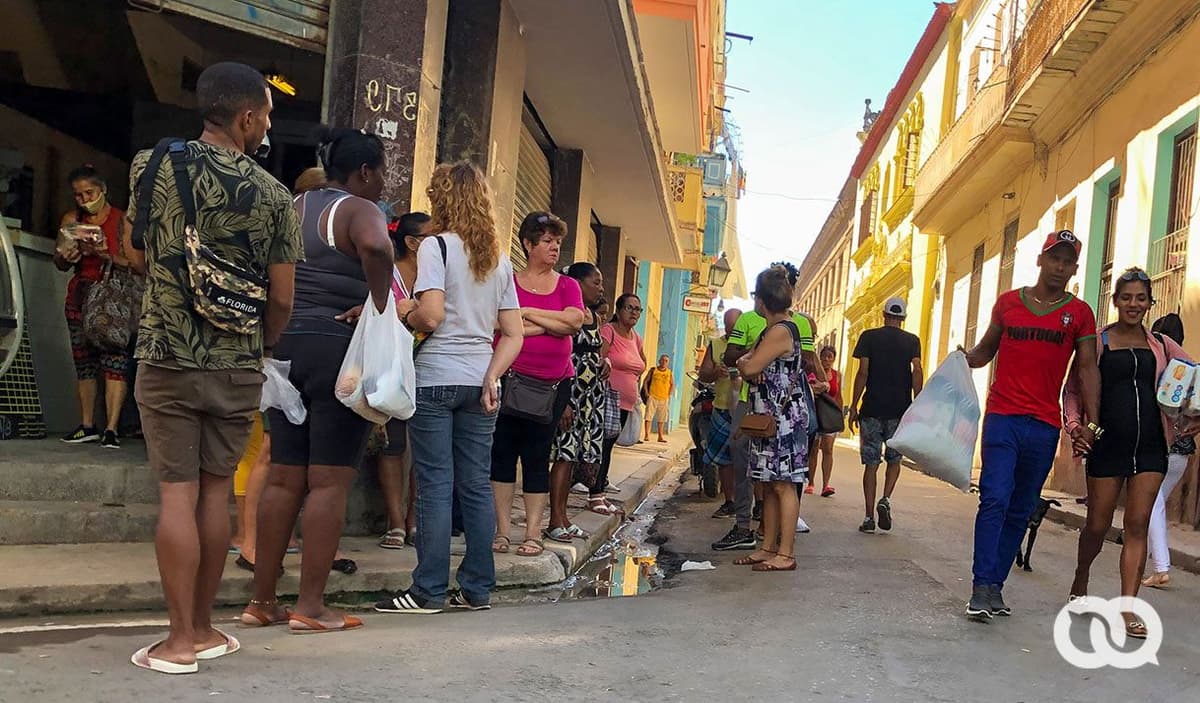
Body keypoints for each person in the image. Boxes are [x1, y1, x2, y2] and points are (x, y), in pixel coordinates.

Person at [124, 62, 301, 673]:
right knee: (215, 491)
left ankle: (177, 642)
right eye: (267, 117)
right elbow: (283, 298)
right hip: (237, 364)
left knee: (176, 493)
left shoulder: (151, 165)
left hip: (166, 355)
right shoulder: (275, 196)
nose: (268, 127)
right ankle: (201, 628)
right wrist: (260, 342)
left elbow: (136, 252)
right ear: (247, 117)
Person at [242, 126, 394, 634]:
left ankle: (262, 601)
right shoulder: (358, 208)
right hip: (335, 348)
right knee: (329, 479)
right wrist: (378, 304)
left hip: (284, 347)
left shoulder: (293, 204)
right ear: (364, 172)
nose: (383, 184)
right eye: (382, 174)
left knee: (284, 475)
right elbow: (377, 248)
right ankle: (311, 606)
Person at [373, 161, 523, 613]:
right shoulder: (499, 259)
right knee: (475, 484)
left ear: (443, 201)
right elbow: (513, 333)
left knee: (436, 484)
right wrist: (492, 375)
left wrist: (406, 309)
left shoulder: (436, 247)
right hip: (480, 383)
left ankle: (428, 591)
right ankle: (477, 589)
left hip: (437, 377)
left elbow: (432, 316)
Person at [962, 229, 1100, 621]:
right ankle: (980, 586)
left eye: (1068, 261)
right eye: (1054, 258)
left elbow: (1087, 369)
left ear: (1074, 269)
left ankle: (995, 586)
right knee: (995, 497)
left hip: (1043, 425)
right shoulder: (1008, 304)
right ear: (1040, 260)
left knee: (1021, 507)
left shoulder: (1080, 314)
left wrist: (1092, 424)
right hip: (1002, 418)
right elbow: (985, 351)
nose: (1060, 267)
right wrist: (962, 360)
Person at [1063, 269, 1198, 639]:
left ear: (1150, 303)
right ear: (1116, 301)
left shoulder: (1162, 345)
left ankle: (1127, 608)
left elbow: (1194, 374)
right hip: (1107, 445)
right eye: (1127, 297)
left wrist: (1195, 415)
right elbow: (1073, 389)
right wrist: (1075, 426)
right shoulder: (1098, 342)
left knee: (1137, 525)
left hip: (1152, 448)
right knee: (1097, 525)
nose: (1134, 304)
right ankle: (1081, 577)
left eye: (1141, 298)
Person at [490, 212, 584, 557]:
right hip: (508, 377)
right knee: (502, 454)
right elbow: (497, 325)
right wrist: (549, 325)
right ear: (528, 244)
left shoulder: (567, 285)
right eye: (546, 241)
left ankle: (532, 533)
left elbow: (574, 321)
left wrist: (526, 314)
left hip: (552, 385)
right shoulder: (508, 282)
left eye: (557, 241)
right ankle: (502, 531)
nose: (554, 247)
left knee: (537, 455)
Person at [711, 266, 819, 550]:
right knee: (770, 483)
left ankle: (785, 552)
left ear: (761, 300)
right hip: (771, 415)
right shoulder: (774, 330)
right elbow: (747, 362)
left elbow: (748, 366)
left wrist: (748, 363)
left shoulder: (781, 330)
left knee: (783, 484)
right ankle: (768, 547)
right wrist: (749, 362)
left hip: (783, 418)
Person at [54, 166, 134, 448]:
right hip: (80, 294)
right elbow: (59, 262)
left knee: (115, 361)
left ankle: (111, 428)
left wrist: (106, 255)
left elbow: (138, 265)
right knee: (84, 361)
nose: (85, 200)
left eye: (89, 193)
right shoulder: (71, 220)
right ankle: (87, 424)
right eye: (78, 195)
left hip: (112, 298)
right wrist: (66, 255)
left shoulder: (123, 220)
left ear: (103, 190)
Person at [377, 211, 432, 549]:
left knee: (424, 447)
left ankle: (414, 519)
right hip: (391, 369)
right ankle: (395, 522)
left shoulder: (434, 278)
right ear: (412, 243)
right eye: (431, 237)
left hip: (429, 370)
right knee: (393, 443)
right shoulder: (387, 275)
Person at [848, 298, 923, 534]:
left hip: (872, 409)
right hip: (900, 411)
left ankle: (869, 517)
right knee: (894, 460)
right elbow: (917, 370)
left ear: (883, 314)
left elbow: (863, 372)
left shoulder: (869, 337)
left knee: (871, 465)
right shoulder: (912, 341)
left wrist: (853, 405)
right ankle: (886, 498)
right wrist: (918, 402)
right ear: (903, 318)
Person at [545, 262, 608, 543]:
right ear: (577, 284)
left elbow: (594, 352)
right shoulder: (567, 314)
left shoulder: (593, 316)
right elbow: (562, 355)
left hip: (590, 400)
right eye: (595, 282)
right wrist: (564, 401)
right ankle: (554, 520)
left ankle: (564, 518)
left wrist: (604, 363)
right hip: (570, 396)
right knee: (564, 455)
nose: (601, 288)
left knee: (575, 458)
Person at [1144, 313, 1191, 589]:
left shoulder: (1161, 368)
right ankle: (1154, 559)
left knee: (1152, 502)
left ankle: (1161, 566)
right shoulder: (1188, 370)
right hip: (1182, 452)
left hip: (1162, 446)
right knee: (1155, 502)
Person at [596, 293, 648, 513]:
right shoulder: (609, 331)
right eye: (630, 307)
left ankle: (599, 491)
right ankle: (596, 494)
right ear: (618, 310)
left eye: (638, 309)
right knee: (603, 447)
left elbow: (642, 361)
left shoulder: (636, 338)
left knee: (609, 448)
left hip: (626, 403)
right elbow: (599, 358)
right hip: (608, 398)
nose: (634, 312)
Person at [699, 307, 744, 518]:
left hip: (745, 409)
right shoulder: (715, 344)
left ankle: (757, 505)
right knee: (724, 459)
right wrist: (716, 372)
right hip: (722, 407)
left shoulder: (752, 344)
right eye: (727, 326)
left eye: (734, 327)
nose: (731, 331)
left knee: (748, 459)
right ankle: (729, 501)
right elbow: (703, 374)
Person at [807, 345, 840, 497]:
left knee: (828, 449)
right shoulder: (813, 373)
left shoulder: (837, 375)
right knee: (813, 449)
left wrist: (840, 414)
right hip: (815, 413)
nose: (826, 359)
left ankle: (826, 484)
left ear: (833, 359)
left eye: (830, 357)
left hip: (829, 416)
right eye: (824, 356)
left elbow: (838, 396)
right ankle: (811, 483)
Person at [643, 354, 674, 442]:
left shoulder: (669, 372)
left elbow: (672, 384)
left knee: (662, 418)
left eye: (666, 361)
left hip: (664, 398)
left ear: (668, 363)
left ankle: (660, 436)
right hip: (653, 397)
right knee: (648, 417)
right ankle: (646, 435)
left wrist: (669, 395)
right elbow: (646, 381)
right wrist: (646, 392)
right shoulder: (653, 370)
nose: (664, 362)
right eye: (663, 360)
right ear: (659, 361)